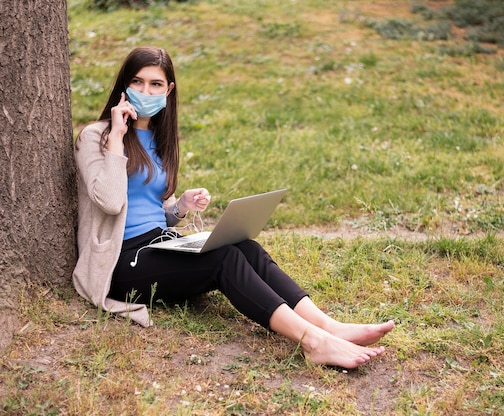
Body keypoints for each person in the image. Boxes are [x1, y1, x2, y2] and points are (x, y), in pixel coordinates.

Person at [73, 46, 394, 369]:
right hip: (122, 263)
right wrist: (117, 135)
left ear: (168, 90)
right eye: (137, 82)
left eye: (156, 84)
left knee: (245, 247)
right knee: (224, 259)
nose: (146, 91)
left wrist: (180, 207)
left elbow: (153, 209)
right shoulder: (95, 136)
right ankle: (314, 341)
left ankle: (329, 326)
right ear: (124, 86)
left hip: (159, 246)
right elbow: (112, 203)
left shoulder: (159, 138)